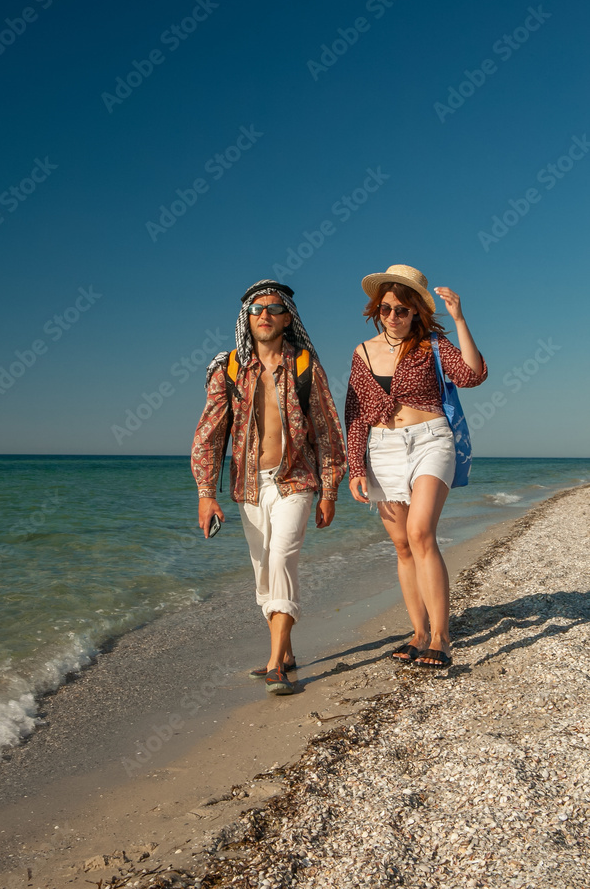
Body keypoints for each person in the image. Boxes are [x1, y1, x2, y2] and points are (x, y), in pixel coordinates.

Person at [192, 279, 346, 694]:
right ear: (247, 319)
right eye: (256, 309)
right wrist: (206, 495)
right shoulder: (228, 369)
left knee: (281, 559)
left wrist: (330, 491)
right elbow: (209, 434)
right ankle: (288, 653)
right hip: (249, 486)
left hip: (296, 478)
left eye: (274, 309)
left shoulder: (305, 366)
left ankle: (276, 664)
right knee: (263, 572)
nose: (265, 315)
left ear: (287, 318)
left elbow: (327, 431)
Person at [345, 264, 487, 668]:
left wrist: (459, 319)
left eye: (402, 310)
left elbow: (473, 375)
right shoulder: (362, 352)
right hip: (382, 448)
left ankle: (441, 637)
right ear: (377, 309)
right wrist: (355, 466)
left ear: (416, 312)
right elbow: (355, 412)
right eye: (386, 308)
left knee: (421, 532)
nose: (393, 316)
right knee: (403, 545)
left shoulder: (433, 344)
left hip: (431, 440)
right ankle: (419, 633)